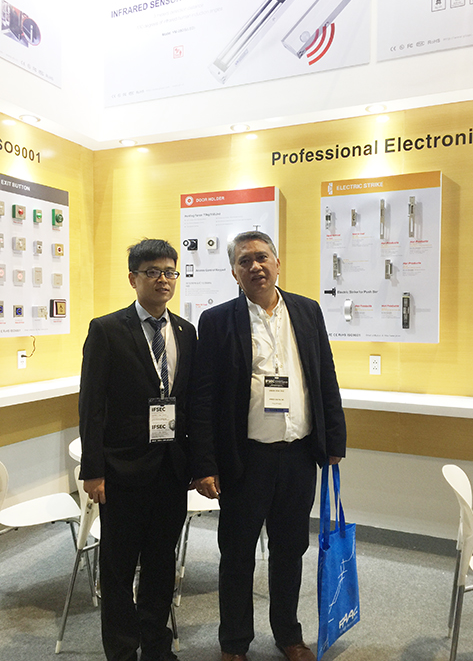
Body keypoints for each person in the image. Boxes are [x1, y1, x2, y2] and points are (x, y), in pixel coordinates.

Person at [189, 231, 347, 661]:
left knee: (290, 551)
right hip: (245, 459)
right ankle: (234, 642)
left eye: (262, 258)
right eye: (245, 261)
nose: (255, 266)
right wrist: (204, 463)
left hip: (298, 456)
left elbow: (325, 376)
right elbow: (203, 397)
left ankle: (288, 635)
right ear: (233, 272)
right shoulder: (217, 320)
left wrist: (334, 439)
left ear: (278, 263)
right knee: (237, 554)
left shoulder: (307, 310)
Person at [79, 238, 196, 661]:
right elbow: (91, 405)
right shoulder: (107, 329)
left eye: (169, 272)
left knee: (161, 565)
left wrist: (197, 463)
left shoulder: (185, 331)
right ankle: (122, 651)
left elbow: (190, 403)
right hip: (121, 471)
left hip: (170, 470)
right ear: (133, 278)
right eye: (152, 272)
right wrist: (93, 470)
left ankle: (157, 647)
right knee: (118, 568)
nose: (163, 279)